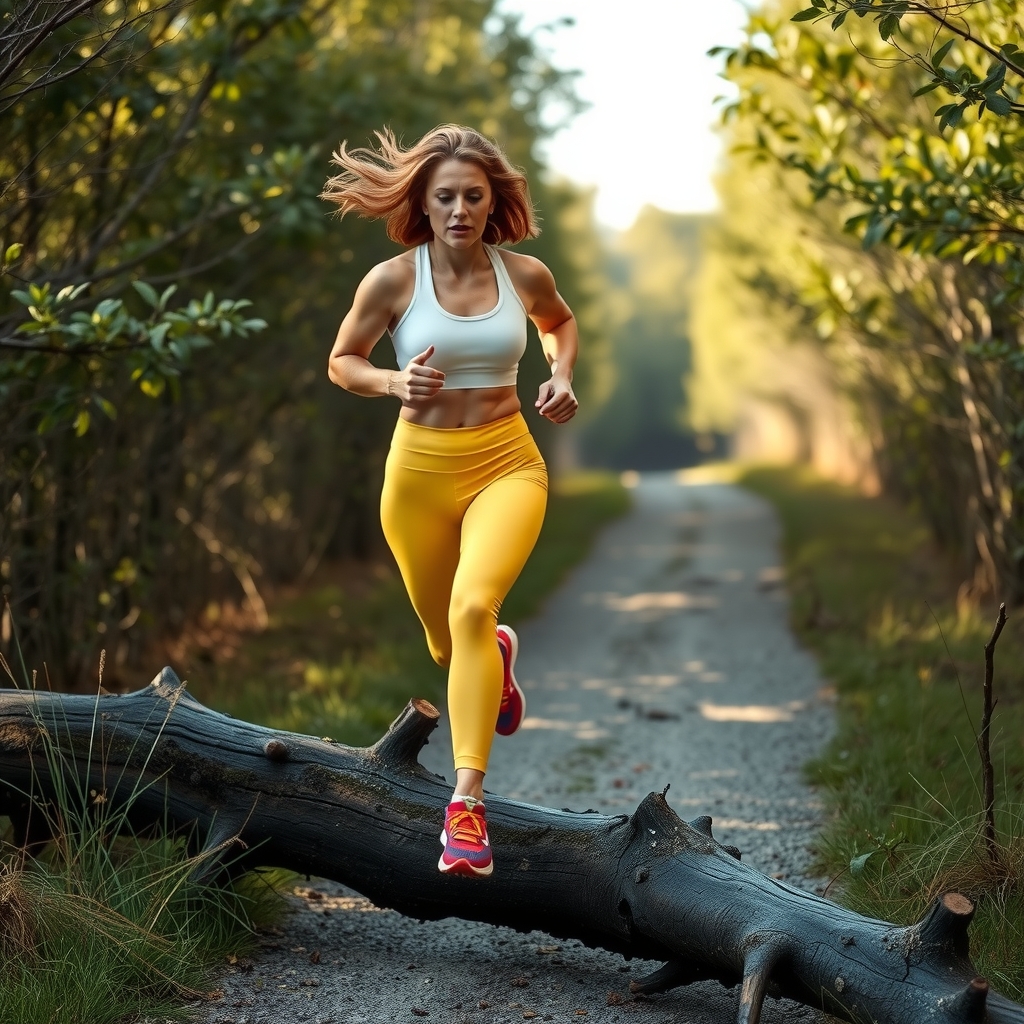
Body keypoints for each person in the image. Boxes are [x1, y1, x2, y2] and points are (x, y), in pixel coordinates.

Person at [323, 125, 579, 878]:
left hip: (507, 462)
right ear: (424, 205)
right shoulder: (392, 282)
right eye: (446, 197)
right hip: (417, 476)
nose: (461, 208)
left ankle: (466, 807)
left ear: (493, 199)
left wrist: (561, 377)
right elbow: (343, 362)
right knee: (446, 645)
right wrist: (392, 382)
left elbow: (559, 324)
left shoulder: (524, 274)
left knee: (473, 609)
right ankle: (493, 661)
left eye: (474, 195)